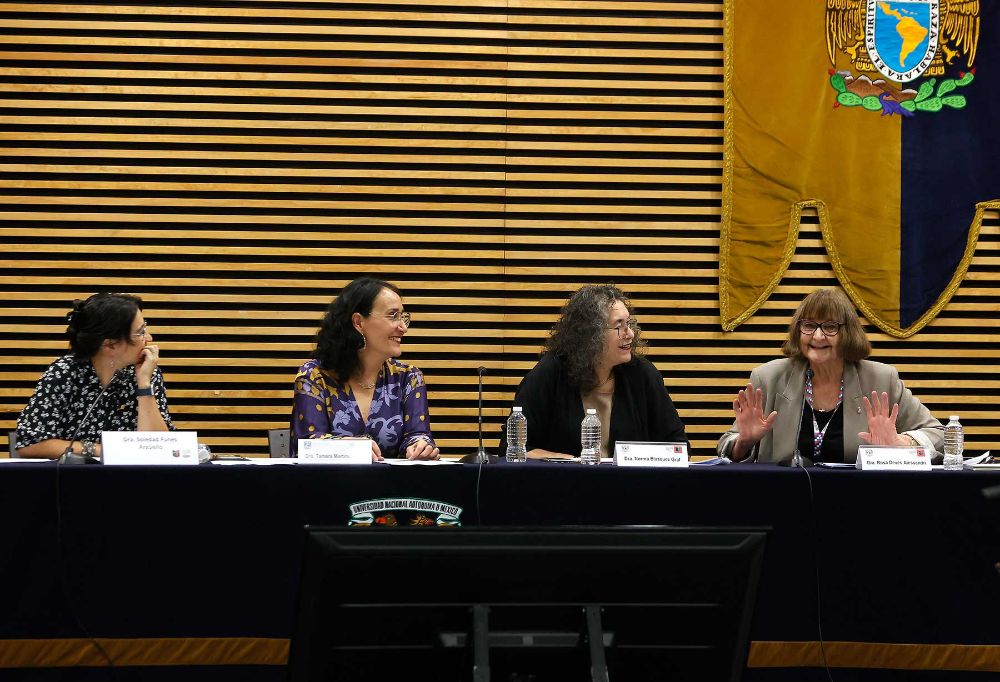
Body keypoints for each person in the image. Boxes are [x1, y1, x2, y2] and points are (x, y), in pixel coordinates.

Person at [717, 288, 944, 463]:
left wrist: (901, 443)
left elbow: (939, 435)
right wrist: (744, 443)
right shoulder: (768, 377)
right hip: (782, 499)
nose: (817, 336)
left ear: (847, 333)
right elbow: (726, 446)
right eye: (808, 325)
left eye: (830, 327)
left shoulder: (881, 379)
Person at [500, 283, 688, 458]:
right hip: (565, 488)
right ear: (591, 334)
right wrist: (567, 462)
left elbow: (679, 446)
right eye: (619, 326)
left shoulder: (642, 374)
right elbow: (511, 448)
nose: (630, 333)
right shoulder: (551, 373)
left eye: (629, 324)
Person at [291, 277, 438, 460]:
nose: (403, 328)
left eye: (403, 317)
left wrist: (420, 447)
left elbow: (416, 435)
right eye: (393, 316)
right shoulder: (314, 376)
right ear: (359, 322)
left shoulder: (408, 378)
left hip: (394, 487)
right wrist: (351, 448)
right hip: (329, 486)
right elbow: (305, 446)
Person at [15, 293, 173, 459]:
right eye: (140, 333)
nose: (149, 338)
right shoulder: (65, 372)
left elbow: (160, 449)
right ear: (110, 344)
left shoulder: (147, 372)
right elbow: (30, 443)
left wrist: (144, 384)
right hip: (72, 480)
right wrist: (101, 450)